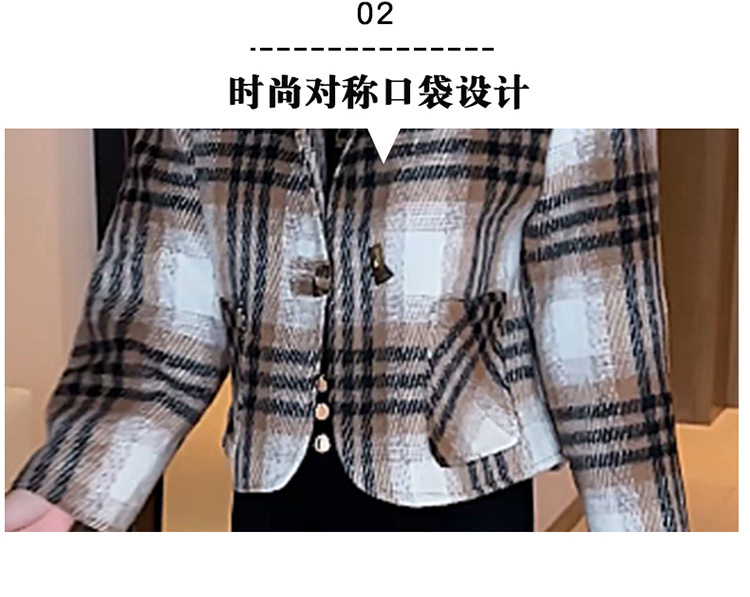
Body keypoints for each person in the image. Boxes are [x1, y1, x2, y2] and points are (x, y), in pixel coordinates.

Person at [5, 128, 689, 532]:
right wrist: (66, 487)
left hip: (457, 494)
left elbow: (605, 333)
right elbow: (158, 320)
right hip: (278, 499)